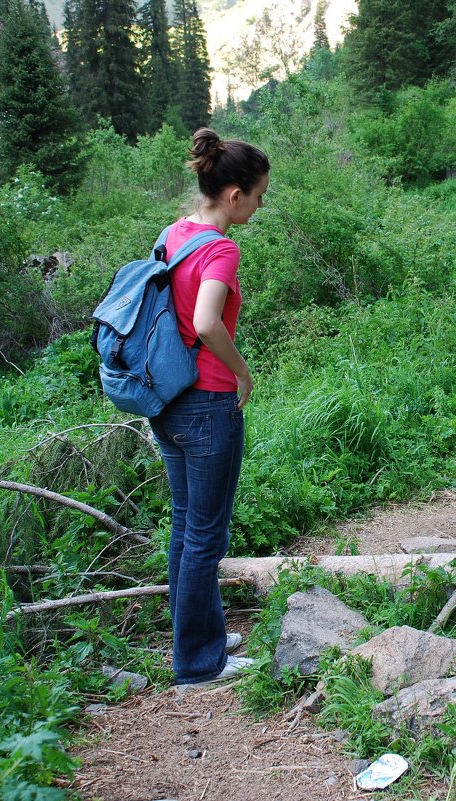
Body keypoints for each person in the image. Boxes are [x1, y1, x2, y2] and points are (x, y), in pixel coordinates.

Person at [149, 127, 270, 686]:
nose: (260, 204)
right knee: (206, 535)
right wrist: (242, 369)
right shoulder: (221, 248)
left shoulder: (175, 232)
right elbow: (205, 322)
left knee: (185, 525)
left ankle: (193, 628)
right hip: (207, 404)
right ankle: (199, 662)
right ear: (233, 194)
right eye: (259, 194)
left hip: (168, 403)